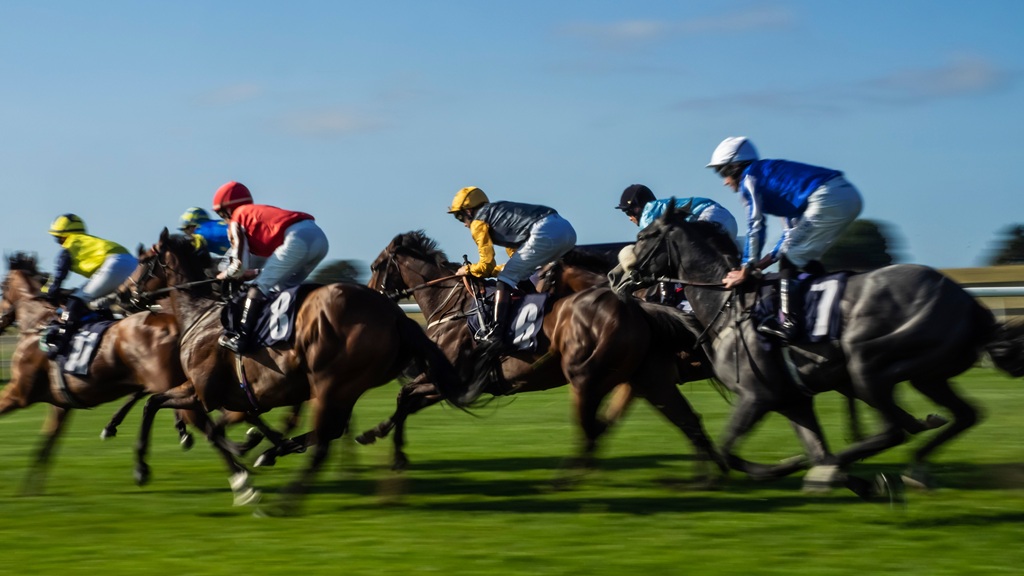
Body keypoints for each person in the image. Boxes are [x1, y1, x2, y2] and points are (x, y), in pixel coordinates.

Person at [708, 136, 863, 341]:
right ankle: (823, 313)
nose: (725, 181)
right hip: (845, 195)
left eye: (723, 173)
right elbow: (789, 235)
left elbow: (756, 225)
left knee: (791, 257)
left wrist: (746, 268)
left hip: (828, 198)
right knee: (802, 257)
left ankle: (788, 323)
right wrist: (758, 266)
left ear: (735, 167)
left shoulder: (749, 179)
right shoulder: (774, 183)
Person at [448, 185, 577, 344]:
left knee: (505, 279)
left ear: (468, 211)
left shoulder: (478, 222)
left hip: (545, 231)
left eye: (459, 217)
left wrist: (467, 270)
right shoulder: (499, 214)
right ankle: (539, 311)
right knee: (517, 275)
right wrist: (495, 271)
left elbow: (486, 265)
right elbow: (514, 260)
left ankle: (497, 333)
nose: (463, 224)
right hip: (566, 229)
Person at [211, 181, 329, 353]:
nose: (224, 219)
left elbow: (238, 267)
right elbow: (276, 267)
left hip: (298, 238)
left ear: (229, 209)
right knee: (282, 288)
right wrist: (255, 272)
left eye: (222, 214)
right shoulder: (255, 214)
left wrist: (224, 275)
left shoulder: (237, 218)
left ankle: (241, 338)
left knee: (258, 288)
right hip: (320, 239)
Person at [42, 214, 138, 353]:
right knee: (100, 304)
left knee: (76, 301)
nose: (59, 243)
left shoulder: (70, 245)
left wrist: (51, 292)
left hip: (114, 264)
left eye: (58, 238)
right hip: (133, 263)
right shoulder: (89, 241)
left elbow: (59, 274)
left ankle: (61, 344)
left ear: (65, 236)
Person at [616, 183, 739, 243]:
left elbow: (645, 244)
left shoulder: (648, 213)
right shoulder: (657, 209)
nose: (630, 218)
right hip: (726, 220)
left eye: (628, 212)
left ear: (637, 208)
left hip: (712, 217)